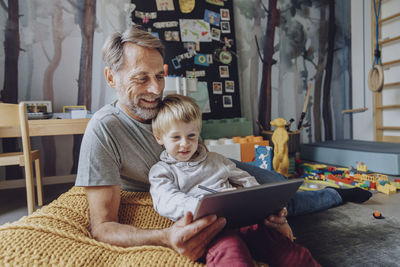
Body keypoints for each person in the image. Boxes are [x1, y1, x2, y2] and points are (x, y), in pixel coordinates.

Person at [75, 25, 371, 261]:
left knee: (280, 195)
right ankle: (335, 195)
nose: (155, 90)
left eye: (159, 76)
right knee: (278, 204)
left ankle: (334, 194)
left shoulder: (166, 108)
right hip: (188, 187)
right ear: (111, 78)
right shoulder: (104, 130)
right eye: (141, 78)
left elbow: (197, 143)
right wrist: (164, 236)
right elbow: (102, 227)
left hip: (210, 168)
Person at [149, 94, 320, 266]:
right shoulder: (161, 171)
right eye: (176, 137)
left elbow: (247, 180)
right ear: (159, 137)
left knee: (291, 253)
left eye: (191, 135)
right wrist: (202, 206)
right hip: (210, 230)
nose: (185, 144)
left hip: (243, 219)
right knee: (232, 254)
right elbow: (166, 200)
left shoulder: (216, 159)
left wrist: (266, 206)